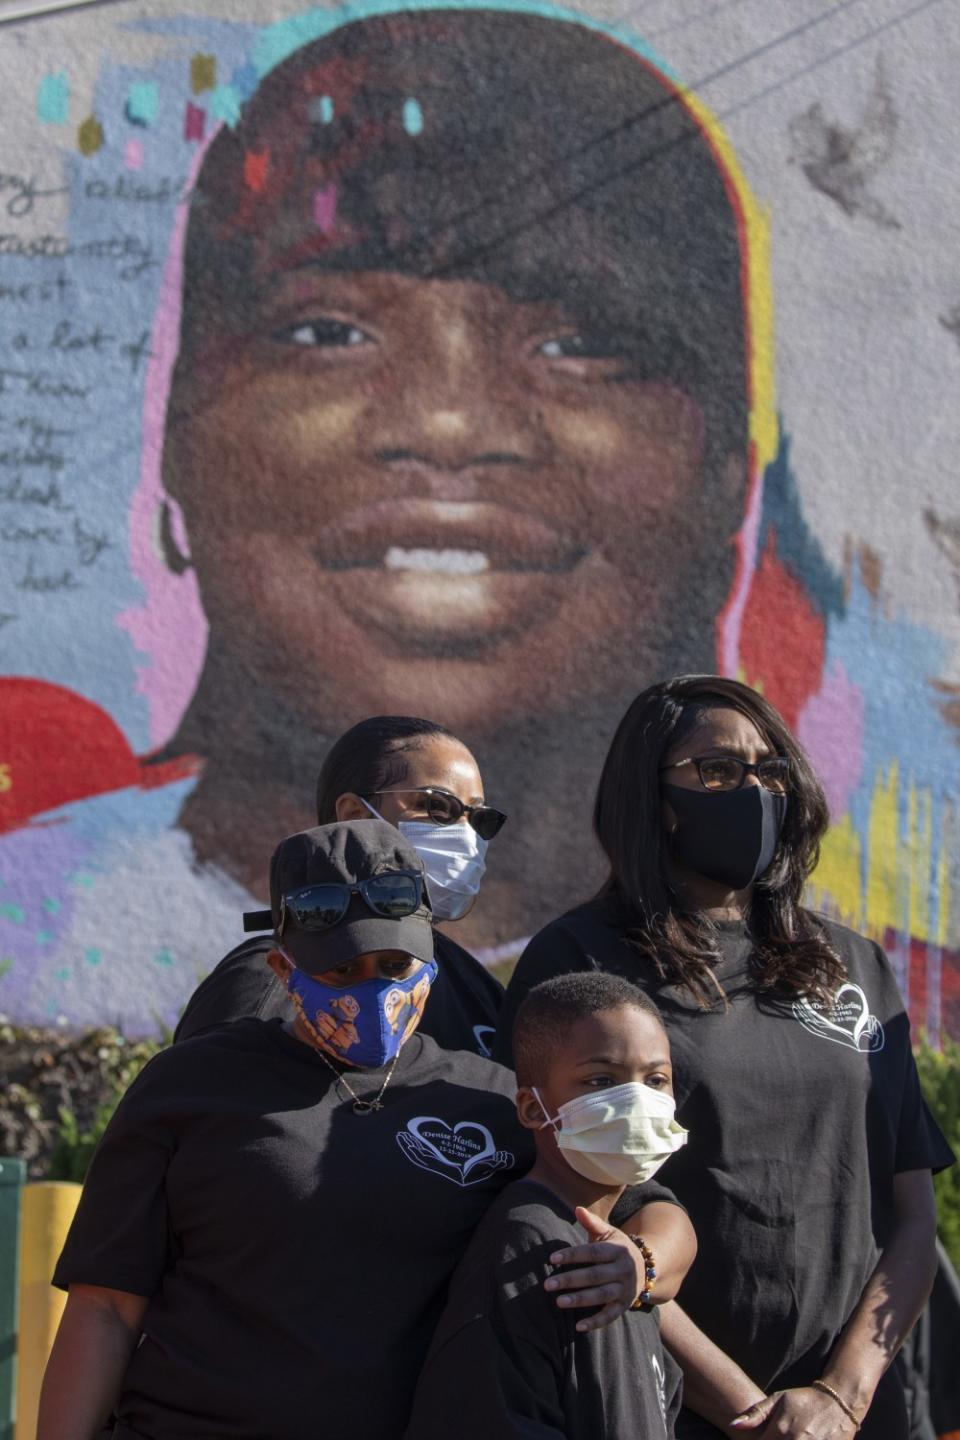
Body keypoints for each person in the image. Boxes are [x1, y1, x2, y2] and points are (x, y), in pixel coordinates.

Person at [148, 5, 757, 955]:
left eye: (582, 344)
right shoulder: (43, 925)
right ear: (179, 443)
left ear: (727, 473)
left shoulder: (819, 994)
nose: (447, 423)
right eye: (327, 333)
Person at [39, 819, 695, 1440]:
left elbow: (653, 1212)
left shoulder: (490, 1099)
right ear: (281, 970)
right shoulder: (188, 1086)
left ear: (430, 957)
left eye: (394, 967)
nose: (372, 991)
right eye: (340, 971)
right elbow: (104, 1309)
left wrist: (639, 1263)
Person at [494, 675, 954, 1440]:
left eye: (769, 768)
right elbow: (570, 1210)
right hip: (678, 1405)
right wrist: (754, 1412)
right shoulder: (581, 962)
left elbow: (911, 1214)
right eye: (716, 770)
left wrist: (842, 1397)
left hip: (861, 1410)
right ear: (656, 800)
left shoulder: (853, 966)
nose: (753, 789)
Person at [405, 971, 688, 1439]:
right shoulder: (532, 1245)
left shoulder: (627, 1259)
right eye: (601, 1079)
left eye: (656, 1079)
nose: (637, 1101)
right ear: (534, 1109)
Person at [175, 715, 505, 1054]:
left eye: (479, 819)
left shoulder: (473, 984)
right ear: (354, 816)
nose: (466, 837)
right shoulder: (275, 980)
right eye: (437, 807)